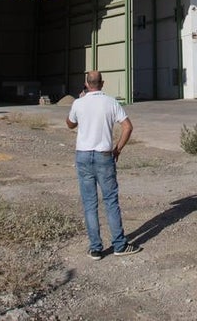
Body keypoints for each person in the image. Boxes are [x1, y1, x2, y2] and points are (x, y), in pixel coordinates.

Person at [66, 71, 141, 259]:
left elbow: (70, 124)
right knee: (110, 200)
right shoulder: (111, 102)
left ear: (86, 83)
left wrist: (79, 101)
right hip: (104, 155)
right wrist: (118, 149)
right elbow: (128, 127)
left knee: (89, 203)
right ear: (102, 83)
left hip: (83, 155)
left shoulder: (78, 103)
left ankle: (96, 248)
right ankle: (119, 245)